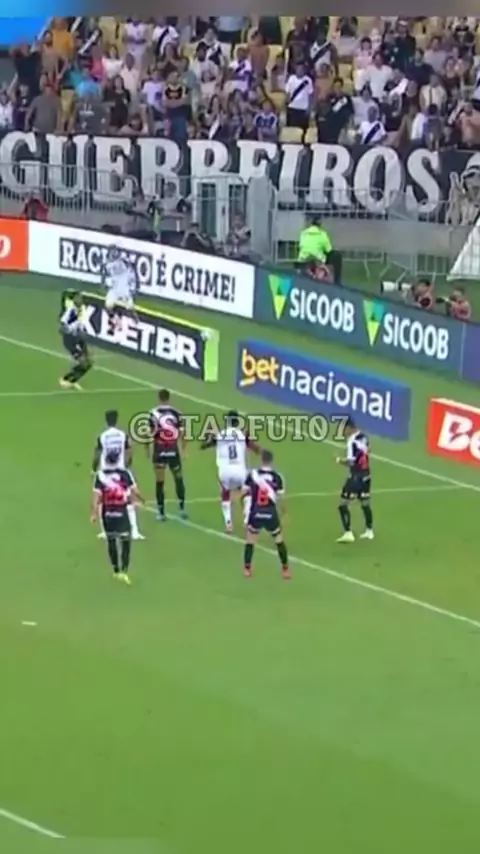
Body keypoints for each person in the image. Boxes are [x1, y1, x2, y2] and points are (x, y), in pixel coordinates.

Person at [91, 448, 144, 584]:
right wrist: (142, 499)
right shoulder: (125, 474)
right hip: (121, 511)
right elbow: (135, 490)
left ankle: (115, 570)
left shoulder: (100, 475)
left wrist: (94, 514)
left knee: (111, 540)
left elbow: (96, 497)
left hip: (107, 512)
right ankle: (124, 570)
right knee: (126, 540)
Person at [200, 410, 259, 534]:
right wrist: (250, 440)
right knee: (248, 491)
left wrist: (208, 437)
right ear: (237, 422)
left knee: (225, 493)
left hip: (225, 471)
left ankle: (228, 523)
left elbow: (203, 446)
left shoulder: (220, 435)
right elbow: (256, 449)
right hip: (240, 471)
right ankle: (247, 519)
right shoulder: (242, 435)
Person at [92, 409, 144, 541]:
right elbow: (129, 449)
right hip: (120, 471)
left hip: (105, 472)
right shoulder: (122, 435)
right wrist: (128, 463)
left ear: (106, 420)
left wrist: (94, 467)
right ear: (116, 420)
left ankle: (105, 531)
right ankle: (135, 531)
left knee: (103, 501)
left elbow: (97, 453)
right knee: (128, 500)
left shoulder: (102, 436)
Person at [241, 449, 291, 580]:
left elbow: (243, 493)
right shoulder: (277, 476)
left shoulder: (252, 474)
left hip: (256, 511)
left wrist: (244, 509)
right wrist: (284, 513)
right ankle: (285, 569)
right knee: (279, 540)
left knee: (250, 540)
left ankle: (247, 568)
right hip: (270, 513)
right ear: (271, 461)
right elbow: (281, 498)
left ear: (261, 459)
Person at [148, 389, 187, 521]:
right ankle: (182, 508)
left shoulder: (152, 413)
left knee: (160, 481)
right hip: (173, 450)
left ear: (159, 398)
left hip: (159, 450)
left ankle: (161, 513)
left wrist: (147, 450)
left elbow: (150, 434)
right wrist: (184, 450)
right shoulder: (177, 413)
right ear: (169, 398)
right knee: (178, 479)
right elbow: (183, 433)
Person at [336, 416, 373, 543]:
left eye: (344, 429)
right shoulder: (363, 437)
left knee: (342, 504)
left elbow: (351, 462)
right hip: (367, 475)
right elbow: (369, 450)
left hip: (356, 477)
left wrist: (339, 460)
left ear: (349, 427)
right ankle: (369, 531)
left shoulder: (351, 441)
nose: (343, 431)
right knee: (365, 503)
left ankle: (348, 533)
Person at [58, 290, 93, 390]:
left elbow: (81, 323)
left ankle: (72, 380)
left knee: (89, 362)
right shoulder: (71, 311)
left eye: (81, 298)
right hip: (71, 341)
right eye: (78, 298)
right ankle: (65, 379)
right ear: (74, 300)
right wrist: (68, 329)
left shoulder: (81, 309)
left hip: (79, 338)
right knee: (84, 363)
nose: (80, 300)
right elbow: (62, 324)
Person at [101, 245, 138, 333]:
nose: (113, 253)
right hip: (114, 289)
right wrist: (103, 283)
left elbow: (132, 270)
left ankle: (136, 322)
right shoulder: (107, 264)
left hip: (124, 288)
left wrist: (134, 285)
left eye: (114, 251)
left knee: (130, 309)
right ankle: (115, 321)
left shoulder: (123, 261)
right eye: (111, 252)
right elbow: (104, 274)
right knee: (108, 307)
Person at [297, 216, 343, 284]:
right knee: (336, 255)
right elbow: (328, 250)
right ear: (320, 224)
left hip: (302, 260)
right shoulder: (322, 234)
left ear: (311, 223)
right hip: (316, 260)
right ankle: (336, 282)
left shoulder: (303, 233)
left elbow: (301, 246)